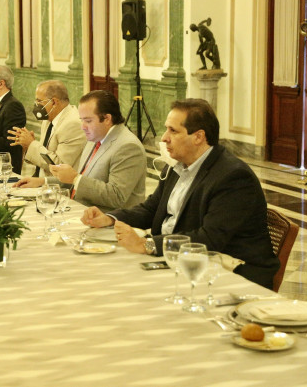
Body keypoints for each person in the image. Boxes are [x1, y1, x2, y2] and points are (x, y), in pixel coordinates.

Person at [81, 99, 279, 288]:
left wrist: (148, 245)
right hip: (180, 259)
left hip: (230, 273)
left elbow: (209, 238)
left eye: (173, 131)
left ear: (198, 137)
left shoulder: (233, 177)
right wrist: (109, 218)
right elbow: (151, 209)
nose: (164, 138)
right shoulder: (178, 166)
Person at [16, 90, 146, 209]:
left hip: (109, 220)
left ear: (107, 119)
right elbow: (82, 179)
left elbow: (116, 196)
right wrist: (42, 182)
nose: (83, 127)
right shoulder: (95, 137)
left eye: (88, 121)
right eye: (82, 120)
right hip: (80, 210)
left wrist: (75, 178)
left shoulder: (128, 146)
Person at [8, 80, 86, 178]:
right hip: (40, 178)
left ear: (54, 102)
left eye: (39, 101)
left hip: (57, 184)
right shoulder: (49, 118)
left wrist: (32, 144)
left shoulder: (72, 124)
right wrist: (27, 146)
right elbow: (45, 156)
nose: (36, 104)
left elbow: (59, 165)